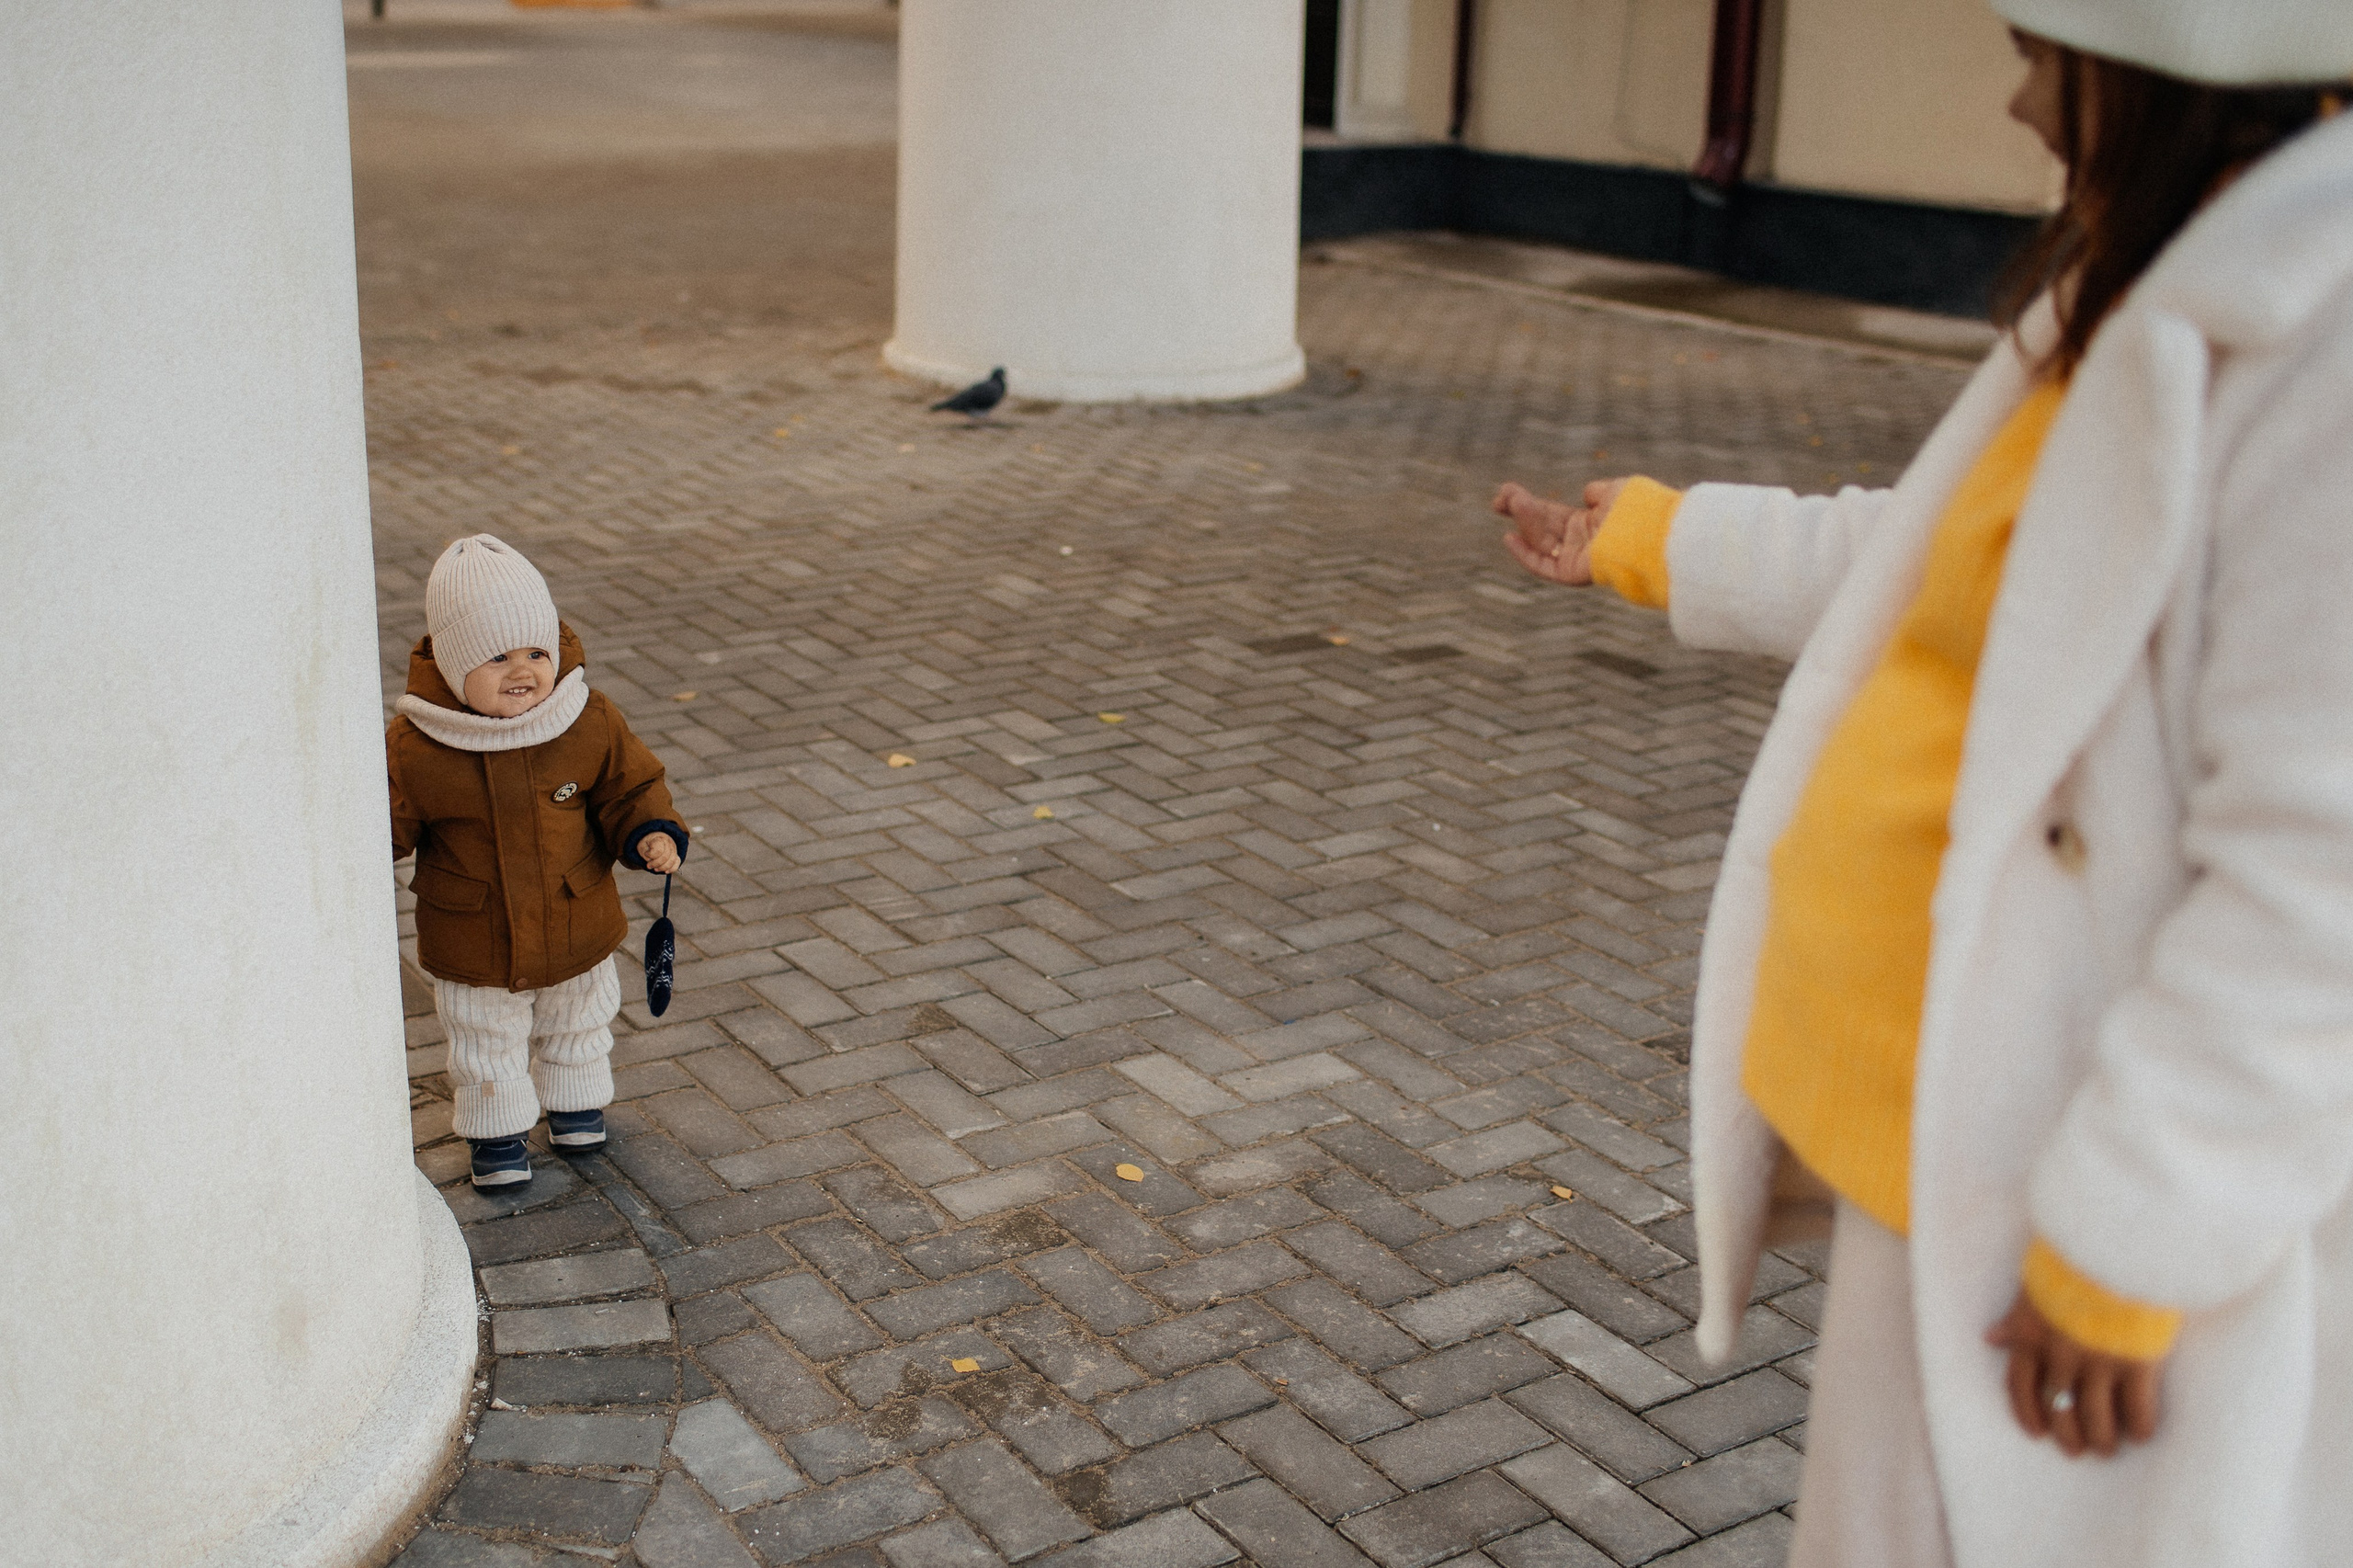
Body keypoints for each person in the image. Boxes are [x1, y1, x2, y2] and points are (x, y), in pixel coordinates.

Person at [1496, 4, 2353, 1562]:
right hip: (1964, 1161)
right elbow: (1948, 561)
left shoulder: (2319, 340)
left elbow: (2324, 864)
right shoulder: (2153, 284)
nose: (2021, 98)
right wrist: (1664, 539)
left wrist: (2130, 1233)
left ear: (2173, 73)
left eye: (2045, 50)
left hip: (2088, 1222)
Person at [388, 535, 687, 1189]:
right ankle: (497, 1136)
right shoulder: (418, 746)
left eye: (535, 651)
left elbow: (628, 787)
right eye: (496, 657)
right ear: (453, 663)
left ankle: (575, 1101)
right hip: (474, 932)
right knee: (483, 1039)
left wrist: (649, 832)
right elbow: (385, 817)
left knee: (579, 1018)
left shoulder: (585, 719)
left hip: (574, 915)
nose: (522, 669)